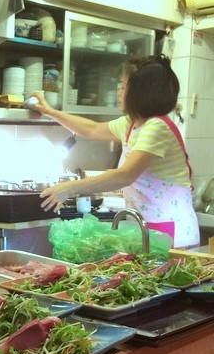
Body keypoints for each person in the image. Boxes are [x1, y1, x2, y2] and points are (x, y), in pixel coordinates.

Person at [30, 54, 199, 250]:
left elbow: (125, 175)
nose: (118, 91)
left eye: (123, 86)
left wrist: (70, 188)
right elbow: (91, 129)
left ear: (142, 92)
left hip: (173, 234)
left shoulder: (157, 127)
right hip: (147, 228)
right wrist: (50, 112)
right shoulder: (131, 124)